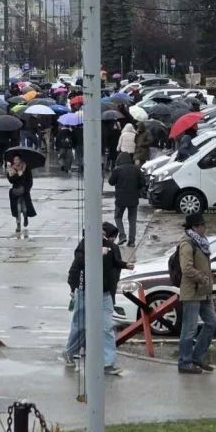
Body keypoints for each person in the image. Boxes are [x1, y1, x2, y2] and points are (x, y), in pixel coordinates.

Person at [63, 221, 133, 375]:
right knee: (80, 325)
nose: (105, 237)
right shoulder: (84, 245)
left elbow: (114, 262)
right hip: (85, 292)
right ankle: (70, 352)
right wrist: (73, 288)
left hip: (105, 293)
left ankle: (108, 363)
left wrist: (125, 265)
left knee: (107, 327)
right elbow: (78, 263)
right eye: (100, 234)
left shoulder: (111, 247)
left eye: (104, 234)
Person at [178, 213, 216, 374]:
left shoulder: (202, 242)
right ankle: (184, 362)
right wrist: (202, 278)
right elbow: (186, 268)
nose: (205, 228)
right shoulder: (187, 244)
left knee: (212, 323)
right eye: (202, 225)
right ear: (194, 227)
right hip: (192, 292)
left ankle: (197, 357)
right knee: (189, 329)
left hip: (204, 292)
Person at [108, 153, 145, 247]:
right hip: (133, 198)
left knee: (118, 217)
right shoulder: (136, 169)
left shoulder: (117, 170)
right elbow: (142, 182)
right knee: (132, 219)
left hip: (120, 198)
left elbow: (111, 182)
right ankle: (131, 241)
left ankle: (122, 235)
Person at [6, 154, 37, 236]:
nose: (16, 161)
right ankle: (18, 224)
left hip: (24, 192)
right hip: (15, 192)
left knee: (24, 209)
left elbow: (30, 179)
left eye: (17, 159)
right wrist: (17, 175)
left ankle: (25, 217)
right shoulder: (11, 169)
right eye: (14, 160)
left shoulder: (26, 167)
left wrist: (27, 189)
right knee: (18, 209)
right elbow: (11, 180)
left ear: (20, 160)